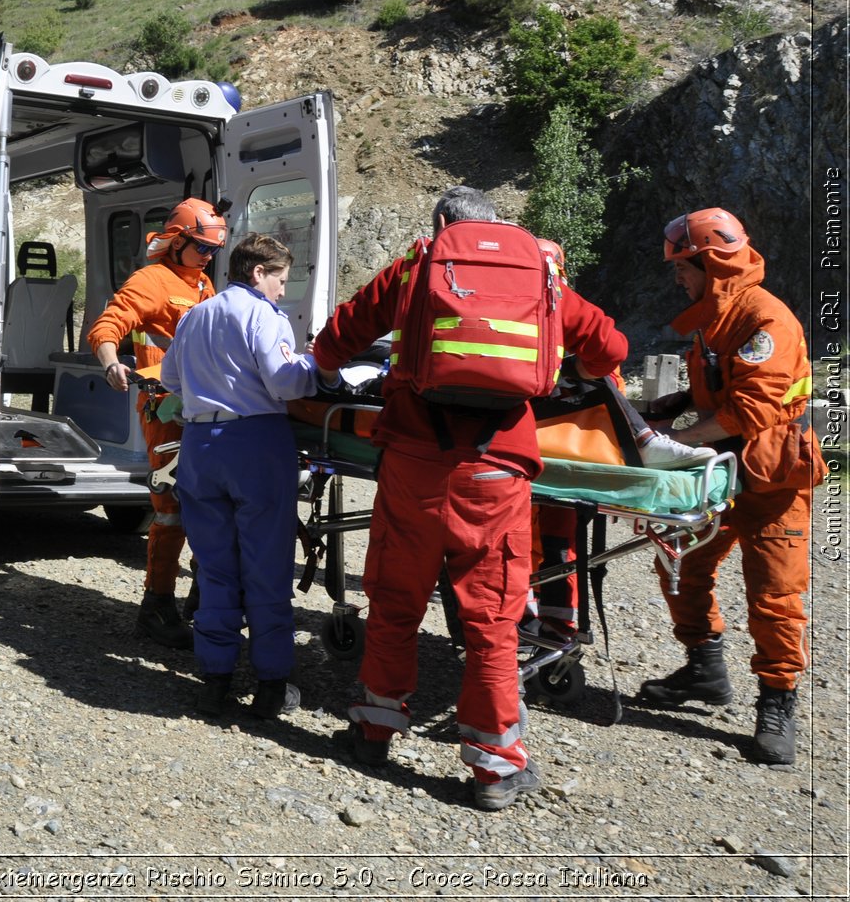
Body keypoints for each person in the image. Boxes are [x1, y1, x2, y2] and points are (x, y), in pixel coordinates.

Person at [311, 187, 628, 811]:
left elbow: (336, 339)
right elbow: (611, 351)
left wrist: (325, 371)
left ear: (440, 224)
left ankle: (374, 729)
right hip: (496, 469)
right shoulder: (542, 272)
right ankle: (493, 766)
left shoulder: (415, 265)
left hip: (412, 465)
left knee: (396, 599)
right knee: (492, 619)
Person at [638, 208, 819, 765]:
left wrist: (676, 436)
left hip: (772, 478)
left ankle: (778, 701)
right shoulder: (719, 316)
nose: (677, 278)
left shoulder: (766, 320)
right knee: (679, 562)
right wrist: (662, 408)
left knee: (775, 595)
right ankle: (704, 669)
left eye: (682, 267)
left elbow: (751, 408)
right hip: (722, 471)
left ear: (709, 264)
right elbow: (714, 386)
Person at [523, 238, 714, 644]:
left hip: (558, 455)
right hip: (549, 455)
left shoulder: (553, 318)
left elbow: (610, 382)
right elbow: (609, 366)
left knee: (547, 546)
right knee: (537, 546)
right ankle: (536, 621)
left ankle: (551, 624)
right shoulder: (559, 317)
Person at [160, 233, 320, 718]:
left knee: (214, 568)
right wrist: (313, 366)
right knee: (266, 567)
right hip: (254, 445)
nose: (281, 292)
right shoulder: (263, 316)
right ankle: (272, 682)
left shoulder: (195, 314)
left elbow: (170, 380)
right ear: (258, 273)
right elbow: (284, 381)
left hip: (199, 448)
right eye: (280, 281)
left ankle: (215, 678)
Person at [88, 197, 226, 650]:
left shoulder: (204, 284)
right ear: (178, 241)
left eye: (212, 250)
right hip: (165, 410)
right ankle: (156, 605)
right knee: (170, 510)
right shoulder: (151, 280)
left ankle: (201, 596)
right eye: (202, 248)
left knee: (209, 505)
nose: (208, 257)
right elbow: (107, 326)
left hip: (201, 410)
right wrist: (112, 365)